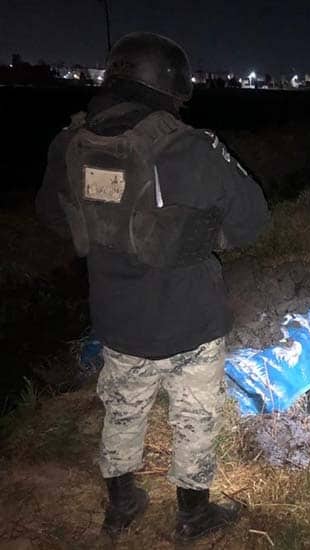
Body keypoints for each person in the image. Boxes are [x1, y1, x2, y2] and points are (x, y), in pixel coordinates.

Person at [35, 32, 270, 539]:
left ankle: (121, 505)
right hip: (190, 320)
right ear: (172, 86)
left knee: (122, 408)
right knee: (195, 417)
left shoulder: (71, 143)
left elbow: (52, 217)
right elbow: (253, 221)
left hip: (116, 317)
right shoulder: (189, 147)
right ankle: (192, 515)